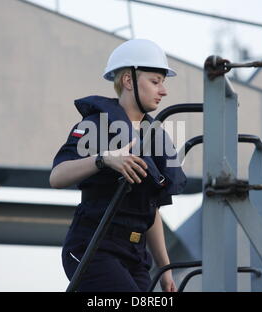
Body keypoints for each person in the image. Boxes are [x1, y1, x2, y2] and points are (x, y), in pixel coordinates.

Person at [50, 39, 187, 292]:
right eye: (155, 82)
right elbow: (57, 176)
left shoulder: (155, 136)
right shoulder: (95, 126)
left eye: (163, 83)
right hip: (93, 248)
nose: (163, 91)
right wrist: (104, 160)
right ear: (128, 81)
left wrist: (165, 269)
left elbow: (150, 208)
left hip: (135, 254)